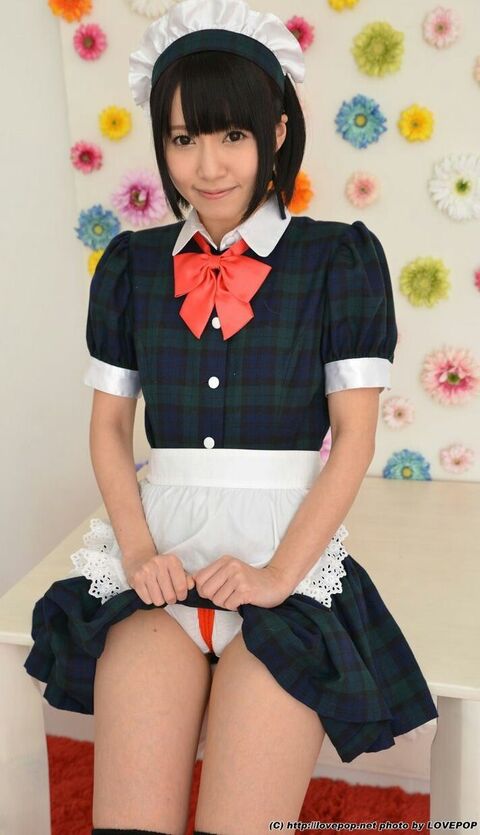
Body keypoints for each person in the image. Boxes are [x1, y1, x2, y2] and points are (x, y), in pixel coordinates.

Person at [23, 1, 439, 833]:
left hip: (286, 564)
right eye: (183, 138)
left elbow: (354, 439)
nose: (207, 165)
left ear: (277, 131)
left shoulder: (338, 259)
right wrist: (137, 554)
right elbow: (109, 428)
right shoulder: (131, 265)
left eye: (232, 135)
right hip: (161, 562)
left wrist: (278, 576)